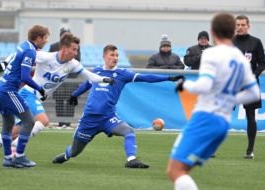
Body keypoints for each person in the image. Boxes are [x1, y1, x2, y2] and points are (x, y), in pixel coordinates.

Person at [166, 13, 260, 190]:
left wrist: (185, 85)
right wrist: (229, 99)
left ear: (212, 32)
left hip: (205, 117)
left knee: (175, 170)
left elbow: (204, 85)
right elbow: (254, 93)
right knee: (183, 169)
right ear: (233, 31)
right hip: (223, 123)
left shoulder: (211, 53)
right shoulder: (241, 59)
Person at [52, 44, 184, 168]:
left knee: (128, 131)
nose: (115, 58)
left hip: (108, 118)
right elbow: (87, 84)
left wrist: (168, 78)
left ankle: (131, 160)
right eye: (112, 55)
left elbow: (145, 77)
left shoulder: (123, 74)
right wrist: (74, 95)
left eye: (116, 55)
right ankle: (66, 155)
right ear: (104, 56)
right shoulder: (96, 71)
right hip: (89, 120)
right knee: (75, 152)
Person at [0, 33, 113, 156]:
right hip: (28, 93)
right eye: (73, 49)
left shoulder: (73, 64)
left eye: (76, 50)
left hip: (37, 99)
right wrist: (5, 62)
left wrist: (104, 79)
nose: (76, 53)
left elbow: (89, 76)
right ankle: (16, 150)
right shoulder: (45, 57)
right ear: (63, 48)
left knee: (13, 133)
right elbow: (19, 53)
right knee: (43, 120)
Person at [0, 24, 50, 168]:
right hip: (8, 90)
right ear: (38, 38)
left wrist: (4, 63)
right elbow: (25, 76)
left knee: (8, 123)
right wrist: (40, 89)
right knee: (29, 121)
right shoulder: (30, 51)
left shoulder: (23, 45)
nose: (46, 41)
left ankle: (7, 159)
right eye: (45, 38)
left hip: (0, 87)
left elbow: (13, 59)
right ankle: (19, 156)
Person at [233, 15, 265, 159]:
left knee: (250, 117)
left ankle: (250, 150)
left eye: (243, 25)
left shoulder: (256, 42)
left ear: (248, 26)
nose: (240, 27)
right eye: (238, 25)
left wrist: (253, 76)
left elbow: (262, 63)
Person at [49, 27, 81, 128]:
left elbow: (77, 61)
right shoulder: (53, 46)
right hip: (58, 80)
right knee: (59, 102)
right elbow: (50, 63)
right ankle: (60, 123)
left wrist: (70, 76)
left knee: (71, 101)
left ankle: (68, 123)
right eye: (64, 34)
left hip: (71, 80)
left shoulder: (76, 47)